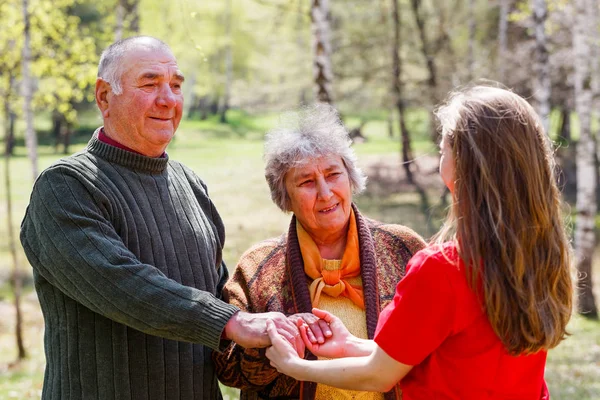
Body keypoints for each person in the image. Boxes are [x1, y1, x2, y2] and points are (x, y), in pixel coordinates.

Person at [20, 36, 310, 400]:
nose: (168, 99)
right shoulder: (65, 186)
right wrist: (232, 322)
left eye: (175, 85)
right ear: (104, 96)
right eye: (149, 83)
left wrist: (282, 322)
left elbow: (219, 291)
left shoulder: (190, 184)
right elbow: (122, 285)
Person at [264, 86, 574, 400]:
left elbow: (379, 375)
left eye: (443, 151)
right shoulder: (542, 255)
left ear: (463, 166)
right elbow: (458, 357)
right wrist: (353, 346)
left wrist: (295, 366)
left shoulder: (443, 269)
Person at [213, 104, 427, 399]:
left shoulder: (403, 248)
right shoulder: (257, 267)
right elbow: (228, 370)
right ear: (284, 195)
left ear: (350, 177)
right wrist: (270, 345)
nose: (326, 193)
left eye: (333, 174)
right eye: (307, 182)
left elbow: (435, 350)